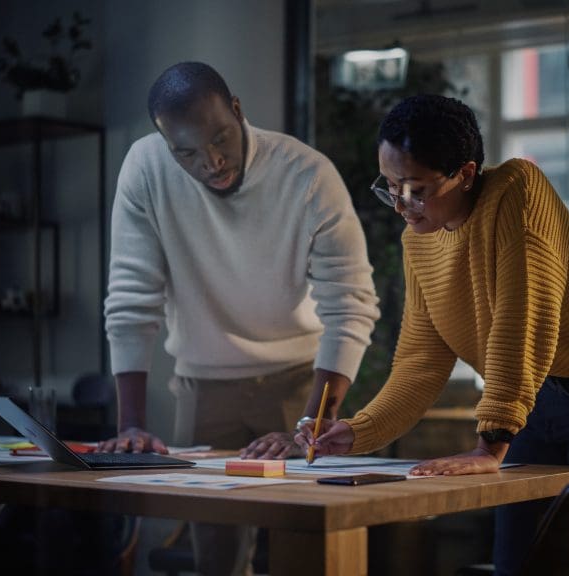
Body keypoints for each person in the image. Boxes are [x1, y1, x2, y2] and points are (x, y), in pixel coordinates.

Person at [296, 94, 569, 576]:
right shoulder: (419, 241)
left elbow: (523, 321)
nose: (402, 206)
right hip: (531, 408)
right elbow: (420, 361)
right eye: (389, 187)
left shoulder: (518, 191)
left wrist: (489, 446)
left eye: (417, 189)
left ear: (466, 173)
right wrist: (357, 431)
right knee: (517, 564)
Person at [101, 61, 379, 576]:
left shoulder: (307, 174)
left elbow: (351, 304)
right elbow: (130, 295)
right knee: (216, 561)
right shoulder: (144, 168)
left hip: (299, 384)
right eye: (186, 152)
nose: (211, 162)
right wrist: (131, 426)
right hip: (202, 388)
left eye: (220, 139)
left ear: (237, 111)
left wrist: (310, 425)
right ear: (165, 145)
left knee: (309, 552)